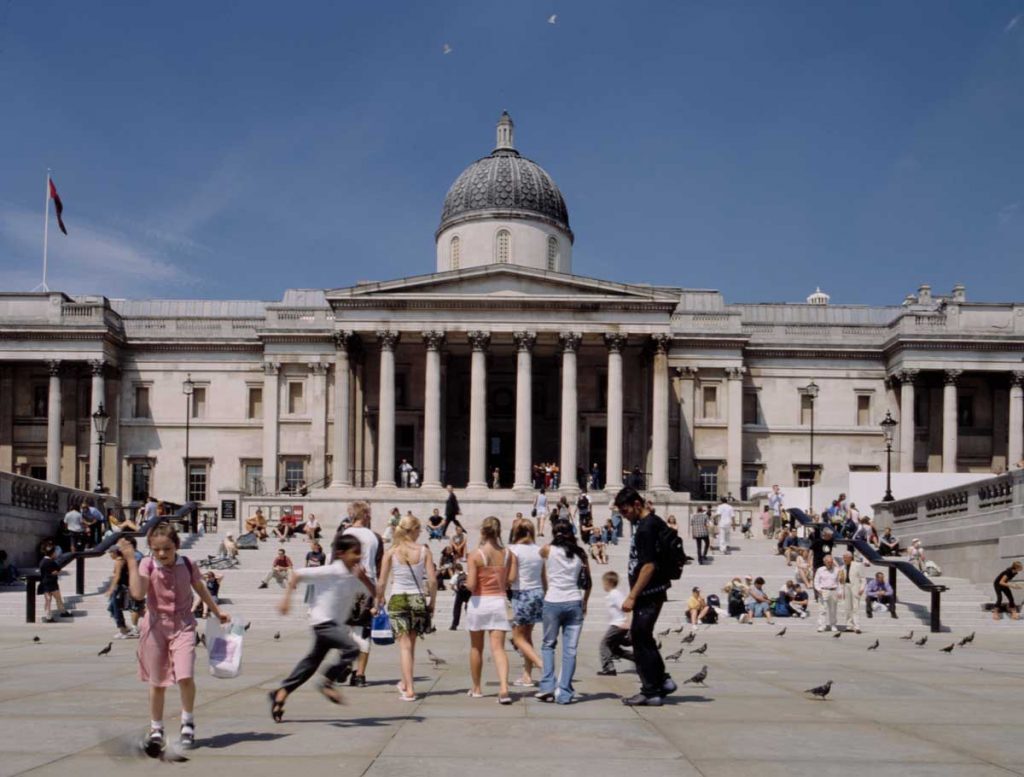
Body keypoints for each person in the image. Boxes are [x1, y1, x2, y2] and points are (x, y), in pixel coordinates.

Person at [118, 525, 227, 753]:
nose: (161, 554)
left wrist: (217, 612)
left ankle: (187, 722)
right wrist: (130, 559)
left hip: (184, 625)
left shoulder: (187, 564)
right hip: (156, 627)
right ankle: (156, 728)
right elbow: (138, 594)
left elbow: (200, 588)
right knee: (157, 682)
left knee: (185, 675)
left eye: (166, 548)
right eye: (156, 549)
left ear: (176, 546)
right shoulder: (147, 564)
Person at [268, 533, 376, 721]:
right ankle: (328, 682)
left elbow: (375, 592)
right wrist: (286, 600)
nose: (358, 556)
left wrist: (364, 578)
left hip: (334, 625)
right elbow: (298, 574)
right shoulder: (331, 570)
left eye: (360, 552)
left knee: (310, 665)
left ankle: (281, 693)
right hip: (323, 622)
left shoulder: (355, 575)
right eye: (355, 552)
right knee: (352, 648)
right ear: (341, 553)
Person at [614, 487, 674, 707]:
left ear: (637, 505)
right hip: (654, 590)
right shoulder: (653, 522)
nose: (624, 515)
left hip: (647, 592)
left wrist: (632, 596)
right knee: (643, 636)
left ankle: (650, 691)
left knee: (640, 640)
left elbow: (648, 566)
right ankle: (663, 682)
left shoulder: (645, 529)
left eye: (625, 510)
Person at [376, 514, 437, 701]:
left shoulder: (392, 552)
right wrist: (432, 602)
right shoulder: (424, 551)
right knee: (411, 646)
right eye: (419, 530)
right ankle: (405, 683)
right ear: (413, 530)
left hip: (398, 598)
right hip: (417, 599)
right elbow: (433, 580)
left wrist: (379, 599)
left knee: (404, 646)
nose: (420, 533)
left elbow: (382, 581)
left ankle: (409, 688)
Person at [535, 520, 591, 704]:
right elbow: (588, 582)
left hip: (553, 601)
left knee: (548, 645)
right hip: (574, 601)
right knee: (570, 650)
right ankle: (565, 691)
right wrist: (585, 602)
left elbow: (540, 556)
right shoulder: (581, 554)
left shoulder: (547, 549)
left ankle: (548, 686)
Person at [465, 516, 516, 704]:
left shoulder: (475, 555)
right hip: (498, 601)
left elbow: (471, 584)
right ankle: (503, 688)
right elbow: (511, 578)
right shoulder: (508, 554)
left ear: (482, 532)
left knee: (476, 647)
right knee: (498, 648)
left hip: (479, 601)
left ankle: (476, 687)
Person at [342, 500, 383, 688]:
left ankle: (345, 664)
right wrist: (380, 595)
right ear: (365, 515)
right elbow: (380, 568)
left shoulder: (345, 534)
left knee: (345, 631)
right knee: (363, 632)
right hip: (368, 588)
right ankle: (360, 675)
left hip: (346, 586)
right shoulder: (375, 537)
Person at [508, 519, 545, 688]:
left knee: (517, 637)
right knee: (527, 636)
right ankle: (527, 675)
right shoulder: (539, 550)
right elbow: (544, 577)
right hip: (538, 594)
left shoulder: (514, 550)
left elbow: (512, 577)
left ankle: (543, 667)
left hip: (522, 594)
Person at [597, 571, 634, 675]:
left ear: (608, 583)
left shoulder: (615, 594)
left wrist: (627, 622)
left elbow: (626, 607)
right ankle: (638, 659)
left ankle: (609, 668)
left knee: (604, 644)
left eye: (604, 583)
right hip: (618, 624)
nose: (603, 585)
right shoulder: (612, 594)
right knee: (614, 648)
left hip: (618, 625)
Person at [105, 542, 140, 639]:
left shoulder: (119, 561)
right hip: (122, 587)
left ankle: (123, 629)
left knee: (116, 609)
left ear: (115, 553)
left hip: (119, 588)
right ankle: (123, 628)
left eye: (111, 553)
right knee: (112, 608)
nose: (110, 555)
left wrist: (111, 589)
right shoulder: (122, 560)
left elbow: (117, 576)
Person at [38, 542, 72, 622]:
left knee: (48, 600)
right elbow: (56, 571)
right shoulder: (51, 562)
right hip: (52, 583)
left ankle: (48, 616)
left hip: (45, 583)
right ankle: (63, 612)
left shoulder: (42, 561)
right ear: (52, 553)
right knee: (58, 599)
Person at [814, 554, 842, 632]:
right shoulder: (820, 570)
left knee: (833, 610)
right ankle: (822, 626)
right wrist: (818, 589)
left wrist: (840, 591)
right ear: (825, 562)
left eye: (831, 562)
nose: (830, 563)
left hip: (833, 590)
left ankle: (833, 625)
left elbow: (839, 582)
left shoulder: (836, 570)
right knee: (822, 609)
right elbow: (816, 581)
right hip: (823, 590)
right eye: (828, 562)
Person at [841, 552, 865, 634]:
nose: (844, 559)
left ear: (850, 558)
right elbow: (841, 581)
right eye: (843, 557)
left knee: (855, 607)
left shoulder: (857, 565)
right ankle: (849, 625)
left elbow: (863, 578)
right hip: (846, 586)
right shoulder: (843, 567)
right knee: (847, 607)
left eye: (845, 557)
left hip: (855, 587)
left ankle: (857, 626)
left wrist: (862, 588)